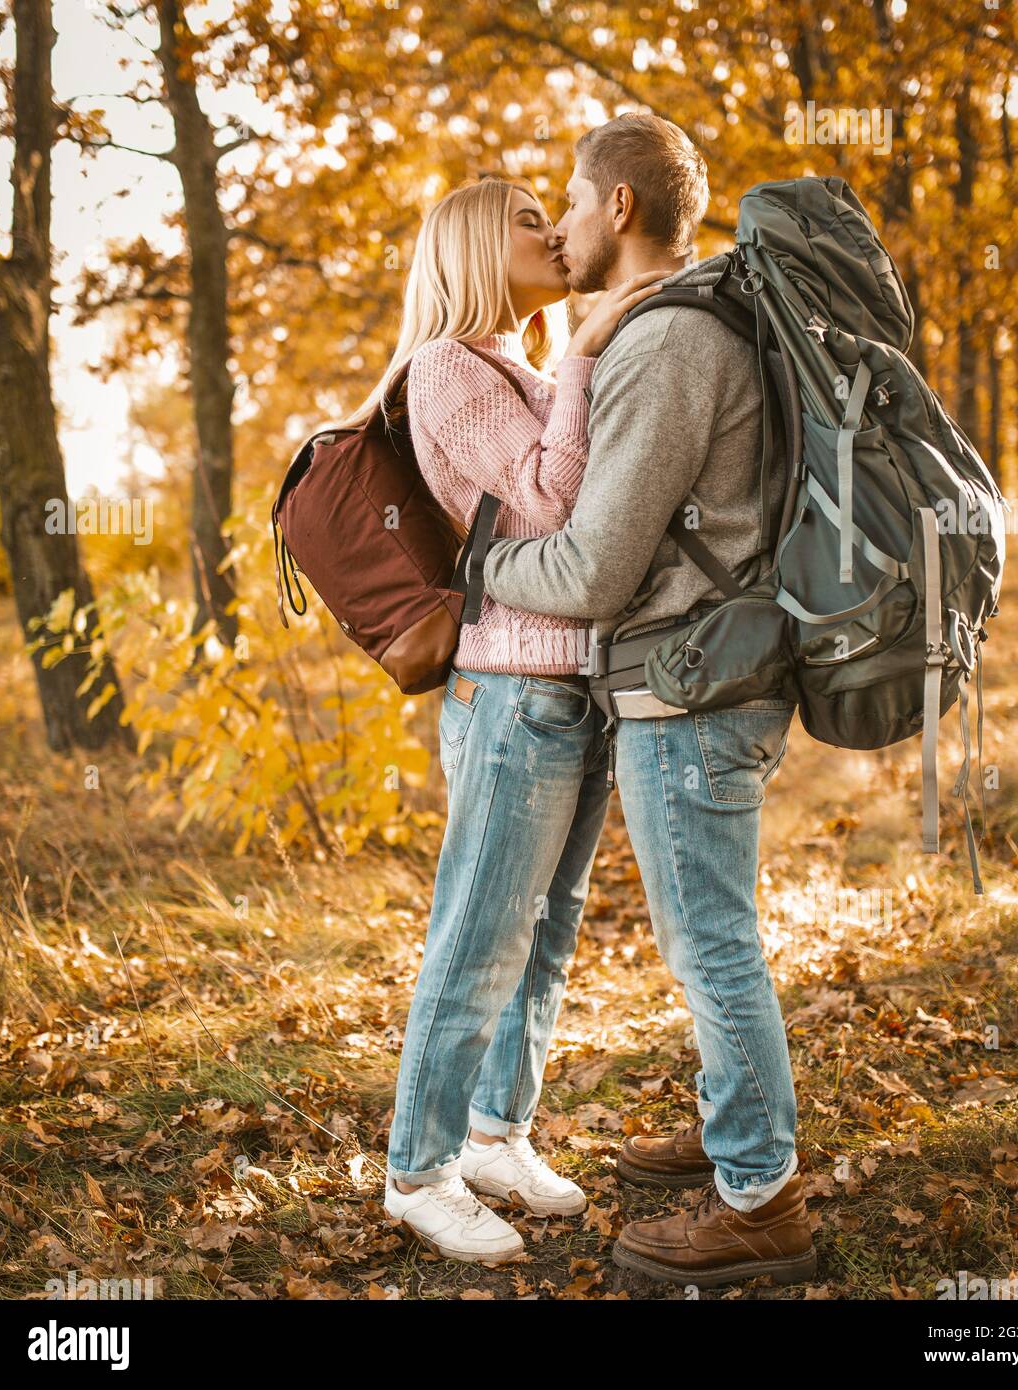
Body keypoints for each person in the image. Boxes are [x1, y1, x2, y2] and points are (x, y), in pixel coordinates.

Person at [482, 113, 818, 1289]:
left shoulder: (669, 344)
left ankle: (760, 1195)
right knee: (708, 935)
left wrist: (475, 568)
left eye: (570, 204)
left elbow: (589, 569)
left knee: (712, 943)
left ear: (617, 208)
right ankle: (737, 1137)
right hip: (701, 676)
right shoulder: (676, 327)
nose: (561, 226)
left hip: (693, 688)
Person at [344, 175, 663, 1263]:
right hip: (512, 692)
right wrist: (581, 356)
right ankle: (418, 1170)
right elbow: (551, 503)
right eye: (529, 219)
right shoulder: (445, 370)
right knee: (480, 934)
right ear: (479, 245)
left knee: (545, 936)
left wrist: (567, 361)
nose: (552, 232)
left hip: (574, 688)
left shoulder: (512, 366)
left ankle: (494, 1134)